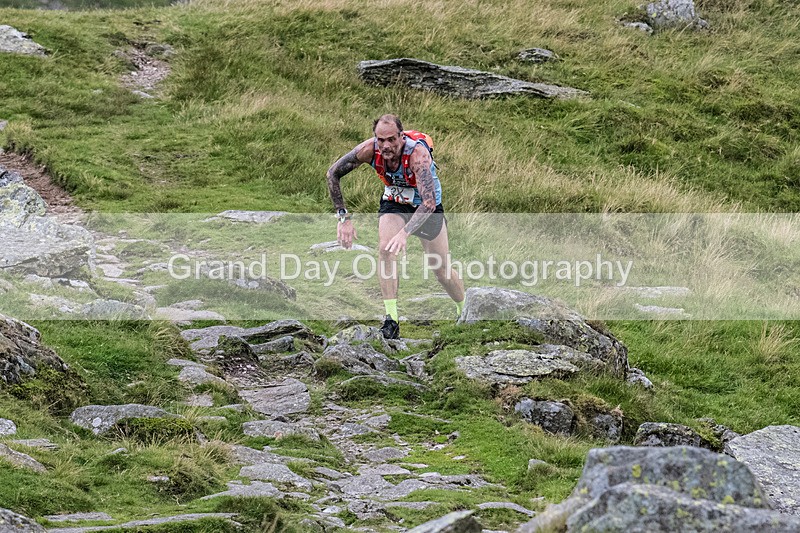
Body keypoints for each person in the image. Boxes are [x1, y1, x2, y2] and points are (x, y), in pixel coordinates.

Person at [326, 114, 465, 339]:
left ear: (401, 136)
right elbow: (332, 174)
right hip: (395, 202)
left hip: (426, 206)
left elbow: (429, 203)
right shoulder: (368, 150)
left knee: (441, 269)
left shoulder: (417, 156)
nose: (386, 146)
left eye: (391, 139)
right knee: (385, 250)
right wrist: (343, 218)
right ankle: (391, 321)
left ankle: (464, 310)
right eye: (381, 140)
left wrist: (405, 233)